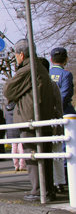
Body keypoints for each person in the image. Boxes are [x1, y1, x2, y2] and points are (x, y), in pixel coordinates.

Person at [3, 39, 56, 201]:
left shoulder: (27, 69)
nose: (16, 58)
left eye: (16, 55)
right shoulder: (40, 68)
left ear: (22, 54)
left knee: (32, 155)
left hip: (30, 118)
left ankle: (37, 190)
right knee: (45, 156)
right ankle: (47, 189)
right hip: (43, 116)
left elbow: (8, 90)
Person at [50, 47, 74, 193]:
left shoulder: (46, 74)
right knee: (69, 146)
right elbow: (65, 95)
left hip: (49, 116)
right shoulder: (66, 75)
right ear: (66, 59)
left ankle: (57, 181)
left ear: (51, 60)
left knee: (54, 149)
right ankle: (66, 178)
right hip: (65, 114)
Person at [41, 57, 65, 193]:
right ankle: (60, 182)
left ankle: (50, 184)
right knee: (57, 156)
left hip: (47, 126)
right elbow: (59, 105)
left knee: (48, 156)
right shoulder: (52, 84)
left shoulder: (43, 84)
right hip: (56, 123)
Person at [4, 101, 26, 172]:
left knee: (14, 147)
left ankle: (16, 165)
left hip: (10, 130)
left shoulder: (6, 108)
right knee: (21, 146)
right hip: (18, 128)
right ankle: (22, 164)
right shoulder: (17, 106)